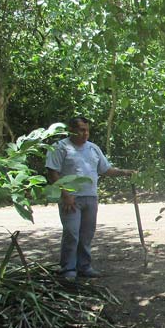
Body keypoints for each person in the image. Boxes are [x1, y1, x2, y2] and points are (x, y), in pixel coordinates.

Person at [46, 117, 136, 280]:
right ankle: (68, 268)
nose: (85, 133)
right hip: (71, 198)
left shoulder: (93, 148)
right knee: (72, 233)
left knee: (87, 234)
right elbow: (53, 172)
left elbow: (105, 169)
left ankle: (84, 266)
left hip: (90, 197)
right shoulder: (60, 147)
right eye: (81, 130)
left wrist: (124, 172)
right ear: (71, 130)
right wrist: (65, 194)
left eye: (87, 130)